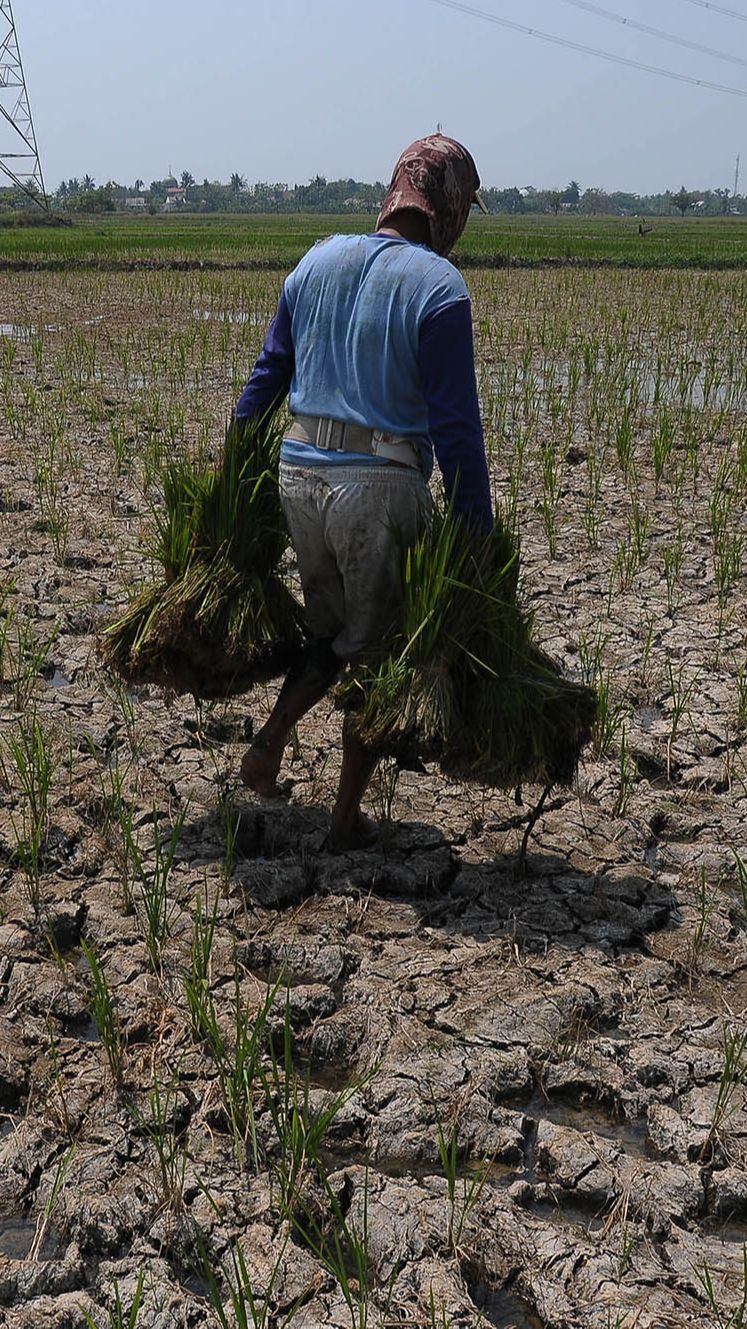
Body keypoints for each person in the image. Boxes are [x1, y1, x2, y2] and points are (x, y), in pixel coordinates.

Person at [233, 134, 493, 848]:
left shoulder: (315, 259)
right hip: (376, 484)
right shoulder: (438, 288)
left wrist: (233, 468)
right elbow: (455, 426)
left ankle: (268, 742)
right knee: (377, 648)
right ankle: (344, 821)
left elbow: (266, 377)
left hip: (298, 472)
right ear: (444, 208)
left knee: (329, 629)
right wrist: (477, 536)